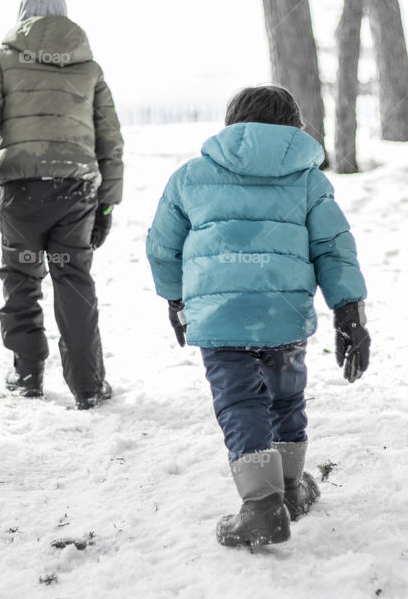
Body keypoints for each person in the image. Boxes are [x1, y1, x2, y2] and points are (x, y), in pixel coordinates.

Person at [145, 85, 370, 548]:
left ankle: (263, 506)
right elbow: (334, 248)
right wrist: (349, 310)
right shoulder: (308, 181)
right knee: (285, 398)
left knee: (240, 402)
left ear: (233, 124)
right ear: (294, 127)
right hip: (282, 312)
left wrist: (176, 300)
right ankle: (290, 488)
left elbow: (162, 247)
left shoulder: (191, 177)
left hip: (220, 316)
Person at [0, 0, 124, 408]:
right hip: (76, 191)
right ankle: (88, 386)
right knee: (74, 281)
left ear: (23, 13)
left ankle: (26, 374)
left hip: (22, 189)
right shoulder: (89, 69)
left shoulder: (0, 58)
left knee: (21, 276)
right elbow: (111, 140)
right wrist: (107, 202)